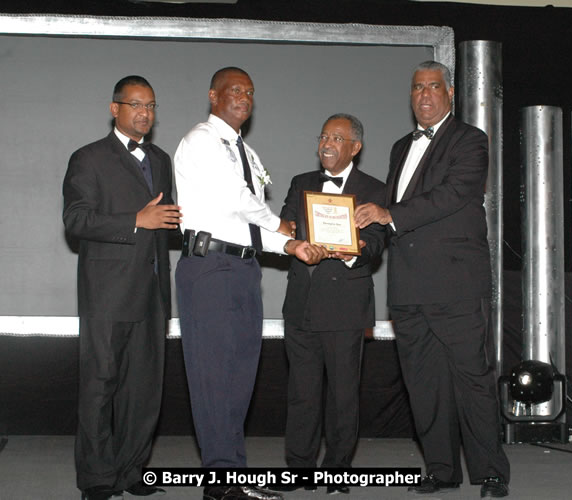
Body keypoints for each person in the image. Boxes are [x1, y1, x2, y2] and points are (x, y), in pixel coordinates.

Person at [354, 61, 510, 498]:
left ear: (450, 93)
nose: (424, 95)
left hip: (455, 284)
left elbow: (453, 194)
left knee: (472, 380)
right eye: (417, 88)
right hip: (407, 287)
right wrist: (359, 245)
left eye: (433, 87)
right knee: (424, 384)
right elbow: (389, 210)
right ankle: (441, 469)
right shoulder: (401, 147)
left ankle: (490, 472)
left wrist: (389, 214)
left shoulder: (470, 140)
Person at [173, 66, 328, 500]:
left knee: (239, 377)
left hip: (243, 269)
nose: (244, 97)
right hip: (210, 269)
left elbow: (249, 225)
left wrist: (290, 247)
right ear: (213, 95)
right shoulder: (202, 140)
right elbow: (234, 200)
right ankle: (221, 482)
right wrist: (285, 228)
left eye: (250, 92)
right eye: (235, 90)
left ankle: (229, 480)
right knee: (214, 376)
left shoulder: (249, 152)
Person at [63, 75, 181, 500]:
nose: (145, 113)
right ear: (115, 109)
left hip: (152, 292)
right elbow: (76, 221)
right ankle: (96, 476)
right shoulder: (89, 158)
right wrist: (135, 220)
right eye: (135, 105)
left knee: (144, 390)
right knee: (100, 385)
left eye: (150, 105)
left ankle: (131, 470)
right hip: (107, 293)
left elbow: (165, 220)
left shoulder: (162, 158)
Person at [276, 114, 385, 495]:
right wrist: (286, 231)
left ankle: (337, 469)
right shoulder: (300, 183)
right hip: (301, 304)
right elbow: (286, 224)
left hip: (345, 305)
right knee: (301, 393)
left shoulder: (374, 188)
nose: (327, 143)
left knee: (342, 394)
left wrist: (349, 251)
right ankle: (299, 469)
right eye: (323, 135)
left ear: (354, 147)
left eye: (337, 138)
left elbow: (376, 245)